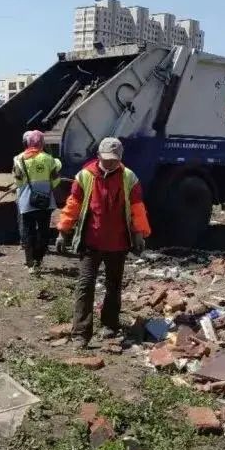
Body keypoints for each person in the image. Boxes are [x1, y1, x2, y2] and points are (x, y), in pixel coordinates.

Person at [56, 137, 151, 348]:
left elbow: (137, 208)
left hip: (118, 244)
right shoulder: (85, 176)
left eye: (114, 160)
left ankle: (110, 324)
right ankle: (81, 333)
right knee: (85, 285)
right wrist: (63, 231)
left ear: (120, 158)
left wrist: (139, 234)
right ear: (98, 156)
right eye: (106, 159)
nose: (110, 163)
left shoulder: (129, 178)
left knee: (114, 286)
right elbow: (73, 205)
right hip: (91, 242)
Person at [12, 130, 61, 274]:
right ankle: (39, 260)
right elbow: (56, 180)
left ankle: (30, 263)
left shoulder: (19, 159)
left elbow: (18, 180)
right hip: (45, 201)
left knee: (28, 231)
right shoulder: (49, 159)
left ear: (28, 142)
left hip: (27, 201)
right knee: (44, 231)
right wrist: (46, 187)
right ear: (41, 143)